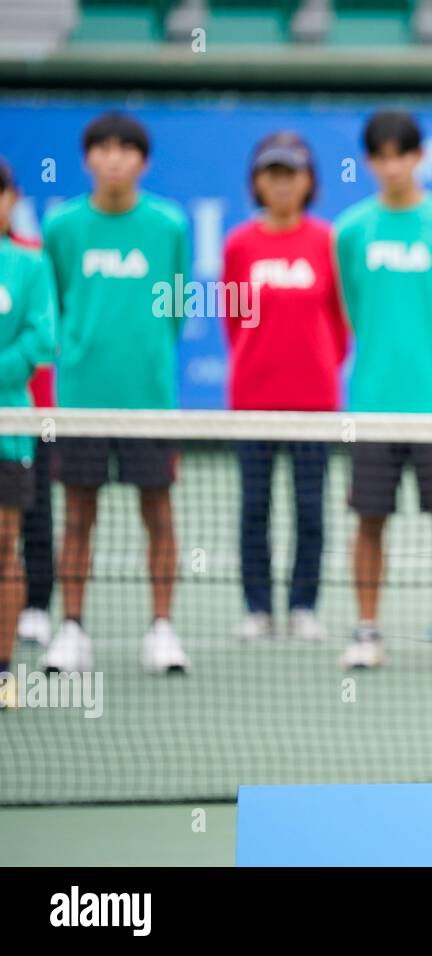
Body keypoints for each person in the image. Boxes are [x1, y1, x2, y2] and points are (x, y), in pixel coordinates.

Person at [333, 110, 432, 670]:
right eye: (380, 156)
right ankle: (367, 630)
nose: (391, 165)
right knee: (368, 520)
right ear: (370, 161)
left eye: (401, 153)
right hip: (372, 407)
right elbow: (352, 309)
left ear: (418, 157)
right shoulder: (350, 230)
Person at [40, 113, 191, 675]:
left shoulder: (169, 225)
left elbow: (176, 308)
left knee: (159, 511)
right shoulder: (62, 226)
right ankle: (72, 629)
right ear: (87, 159)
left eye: (126, 149)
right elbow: (57, 302)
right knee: (78, 513)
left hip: (149, 400)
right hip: (82, 398)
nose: (113, 158)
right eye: (102, 148)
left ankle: (162, 629)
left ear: (143, 161)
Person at [223, 131, 347, 643]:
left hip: (313, 403)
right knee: (254, 507)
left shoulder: (327, 241)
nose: (281, 184)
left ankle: (302, 606)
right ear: (256, 182)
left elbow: (339, 322)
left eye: (291, 174)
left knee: (309, 508)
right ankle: (257, 608)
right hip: (253, 402)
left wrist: (318, 368)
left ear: (308, 182)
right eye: (272, 174)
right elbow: (233, 321)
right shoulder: (239, 244)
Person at [0, 179, 56, 710]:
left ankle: (1, 672)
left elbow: (42, 339)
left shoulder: (30, 264)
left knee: (4, 548)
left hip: (10, 428)